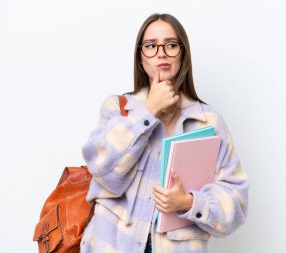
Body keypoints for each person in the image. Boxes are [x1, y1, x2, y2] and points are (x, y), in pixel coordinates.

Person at [80, 13, 249, 253]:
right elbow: (103, 171)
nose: (161, 53)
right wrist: (148, 111)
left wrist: (189, 202)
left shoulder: (207, 122)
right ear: (140, 57)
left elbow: (237, 204)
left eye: (171, 45)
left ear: (183, 54)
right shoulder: (118, 110)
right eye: (151, 46)